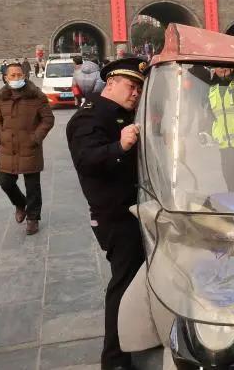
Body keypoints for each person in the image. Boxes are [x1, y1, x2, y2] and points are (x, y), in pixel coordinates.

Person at [66, 57, 147, 370]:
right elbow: (87, 161)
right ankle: (114, 359)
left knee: (140, 278)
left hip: (139, 207)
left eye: (140, 88)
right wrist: (120, 147)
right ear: (111, 83)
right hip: (115, 215)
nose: (136, 93)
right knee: (123, 284)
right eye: (131, 86)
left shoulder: (127, 115)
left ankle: (139, 334)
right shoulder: (89, 119)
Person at [0, 63, 55, 235]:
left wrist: (36, 137)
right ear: (6, 78)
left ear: (25, 76)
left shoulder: (37, 96)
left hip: (30, 146)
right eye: (12, 75)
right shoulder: (1, 98)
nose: (16, 78)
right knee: (5, 182)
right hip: (8, 147)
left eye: (19, 75)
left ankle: (33, 218)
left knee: (32, 185)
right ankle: (20, 203)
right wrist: (0, 134)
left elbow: (48, 119)